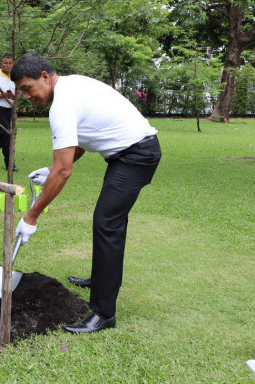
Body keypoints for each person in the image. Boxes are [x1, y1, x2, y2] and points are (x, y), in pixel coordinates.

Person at [10, 53, 161, 334]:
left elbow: (64, 171)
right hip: (127, 154)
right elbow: (74, 146)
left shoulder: (62, 105)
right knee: (108, 220)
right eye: (22, 92)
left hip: (137, 155)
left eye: (28, 89)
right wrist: (50, 168)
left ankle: (104, 313)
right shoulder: (70, 86)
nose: (27, 96)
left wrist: (31, 216)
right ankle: (103, 278)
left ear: (45, 76)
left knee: (107, 221)